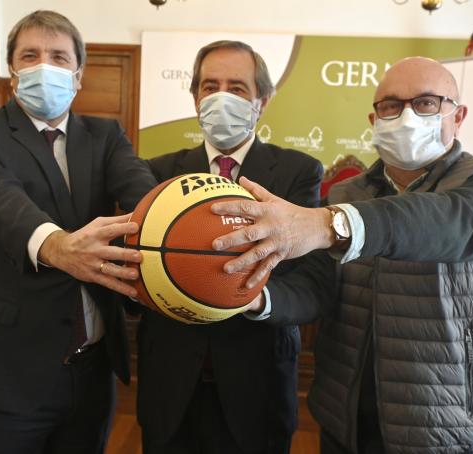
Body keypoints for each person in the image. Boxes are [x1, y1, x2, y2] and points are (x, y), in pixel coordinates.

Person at [211, 56, 473, 453]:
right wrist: (253, 295)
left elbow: (447, 222)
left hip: (446, 425)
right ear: (374, 119)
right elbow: (318, 290)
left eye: (427, 103)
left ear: (458, 115)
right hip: (346, 417)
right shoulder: (348, 194)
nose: (407, 116)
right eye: (392, 106)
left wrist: (331, 225)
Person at [0, 10, 157, 454]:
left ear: (77, 76)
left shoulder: (105, 135)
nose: (44, 66)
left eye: (58, 57)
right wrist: (56, 245)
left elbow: (143, 194)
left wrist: (177, 223)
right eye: (30, 55)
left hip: (91, 373)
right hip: (5, 374)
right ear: (13, 72)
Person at [136, 40, 324, 454]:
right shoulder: (155, 172)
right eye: (210, 86)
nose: (221, 96)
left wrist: (249, 299)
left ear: (263, 100)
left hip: (256, 381)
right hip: (170, 381)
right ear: (195, 97)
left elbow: (308, 284)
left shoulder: (298, 172)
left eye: (237, 88)